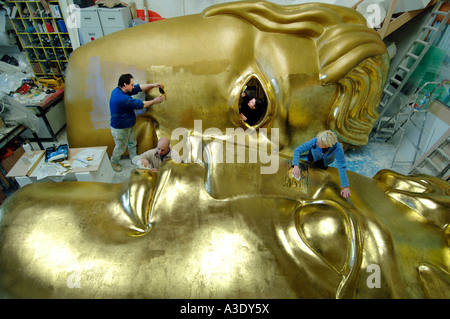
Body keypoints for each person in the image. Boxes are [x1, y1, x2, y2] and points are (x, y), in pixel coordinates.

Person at [109, 73, 165, 172]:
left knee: (132, 142)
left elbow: (139, 87)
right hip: (120, 129)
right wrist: (156, 100)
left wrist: (154, 85)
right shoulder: (122, 98)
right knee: (120, 148)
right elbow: (142, 104)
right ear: (125, 84)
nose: (133, 86)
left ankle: (133, 158)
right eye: (131, 84)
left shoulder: (121, 90)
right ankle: (114, 162)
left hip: (127, 125)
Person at [292, 130, 351, 198]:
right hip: (313, 155)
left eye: (319, 143)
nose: (317, 143)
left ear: (327, 145)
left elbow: (341, 166)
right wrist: (295, 165)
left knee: (319, 173)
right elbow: (298, 150)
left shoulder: (338, 148)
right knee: (309, 169)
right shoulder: (315, 141)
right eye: (317, 140)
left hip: (324, 161)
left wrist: (346, 187)